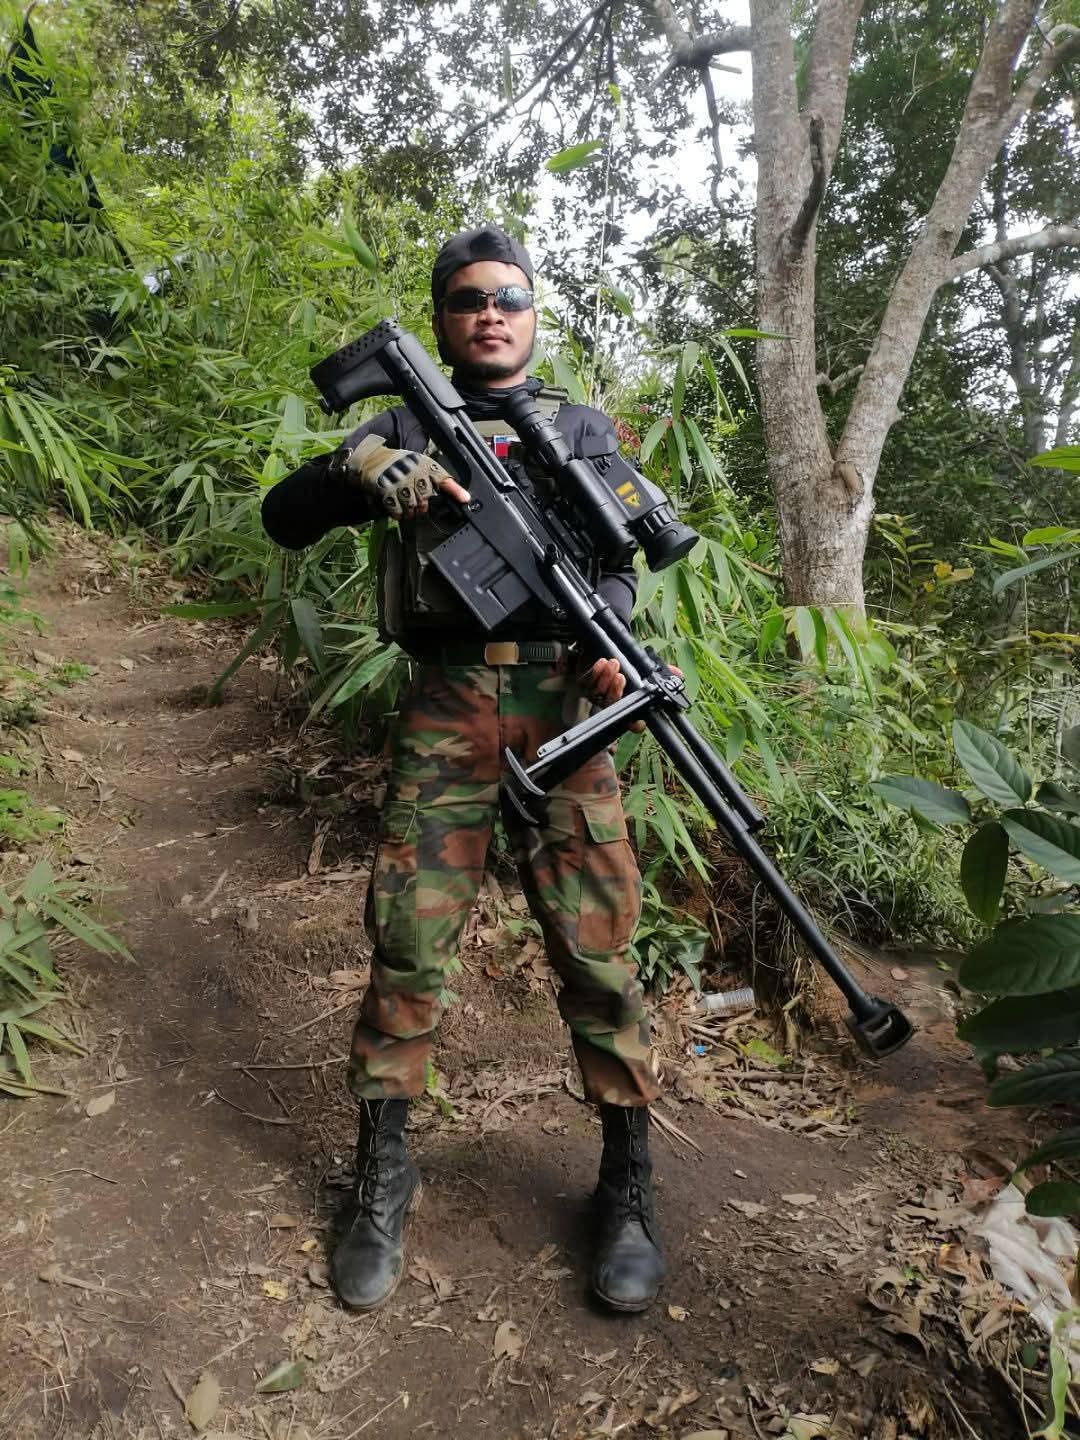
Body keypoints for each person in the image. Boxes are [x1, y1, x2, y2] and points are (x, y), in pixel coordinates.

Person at [261, 225, 665, 1315]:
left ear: (534, 315)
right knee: (409, 940)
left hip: (564, 709)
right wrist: (357, 468)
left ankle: (627, 1182)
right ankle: (383, 1173)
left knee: (598, 947)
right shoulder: (400, 420)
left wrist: (609, 646)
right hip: (445, 706)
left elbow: (620, 568)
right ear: (441, 319)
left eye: (510, 297)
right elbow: (284, 517)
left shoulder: (579, 428)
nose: (492, 313)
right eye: (469, 298)